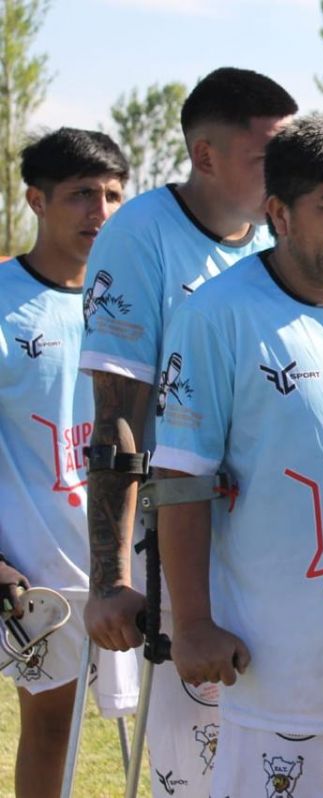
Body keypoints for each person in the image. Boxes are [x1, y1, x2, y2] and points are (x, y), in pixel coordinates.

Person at [151, 115, 323, 797]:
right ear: (278, 212)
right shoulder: (217, 314)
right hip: (279, 664)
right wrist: (191, 624)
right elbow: (180, 479)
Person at [79, 66, 296, 797]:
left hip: (278, 542)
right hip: (183, 540)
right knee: (198, 764)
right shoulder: (141, 235)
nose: (286, 174)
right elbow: (117, 416)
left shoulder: (282, 232)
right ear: (205, 156)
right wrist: (111, 578)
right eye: (268, 156)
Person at [0, 128, 139, 798]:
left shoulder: (134, 302)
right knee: (52, 724)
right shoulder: (3, 301)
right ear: (36, 199)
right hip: (38, 564)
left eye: (114, 194)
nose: (101, 211)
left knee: (170, 723)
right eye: (83, 194)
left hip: (136, 553)